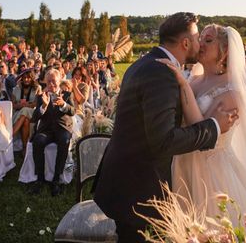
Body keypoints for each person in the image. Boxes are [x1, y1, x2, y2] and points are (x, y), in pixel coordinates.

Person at [93, 13, 236, 242]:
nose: (200, 44)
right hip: (138, 189)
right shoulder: (162, 73)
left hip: (132, 178)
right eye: (199, 37)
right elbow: (163, 141)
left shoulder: (145, 64)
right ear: (186, 43)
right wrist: (214, 126)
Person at [161, 24, 246, 242]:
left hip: (210, 170)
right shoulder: (195, 78)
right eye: (200, 38)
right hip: (184, 160)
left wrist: (182, 84)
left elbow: (200, 129)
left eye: (208, 40)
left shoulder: (231, 90)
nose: (200, 44)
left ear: (225, 50)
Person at [29, 68, 75, 197]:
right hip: (47, 130)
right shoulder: (41, 96)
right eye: (48, 82)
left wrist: (63, 105)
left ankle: (56, 178)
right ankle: (40, 178)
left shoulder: (67, 95)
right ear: (45, 82)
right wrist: (43, 106)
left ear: (59, 81)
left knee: (64, 141)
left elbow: (73, 111)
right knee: (38, 141)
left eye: (54, 82)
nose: (51, 85)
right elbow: (34, 117)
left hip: (62, 128)